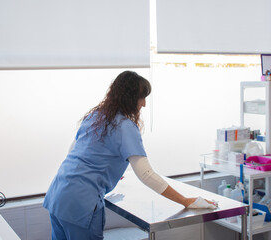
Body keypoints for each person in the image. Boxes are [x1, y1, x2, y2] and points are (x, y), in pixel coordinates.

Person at [43, 71, 216, 240]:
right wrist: (185, 201)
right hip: (80, 204)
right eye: (142, 97)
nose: (144, 104)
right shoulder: (125, 126)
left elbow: (75, 151)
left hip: (58, 194)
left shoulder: (95, 116)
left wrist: (104, 170)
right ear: (130, 98)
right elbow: (146, 174)